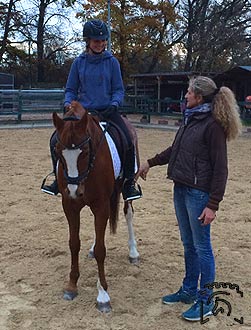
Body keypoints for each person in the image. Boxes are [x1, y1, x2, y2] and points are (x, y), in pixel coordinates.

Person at [136, 76, 242, 321]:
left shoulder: (213, 126)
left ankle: (206, 301)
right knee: (188, 244)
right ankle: (188, 290)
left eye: (188, 93)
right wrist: (150, 163)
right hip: (181, 188)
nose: (185, 96)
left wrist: (213, 204)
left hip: (199, 194)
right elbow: (176, 150)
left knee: (202, 247)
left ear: (199, 96)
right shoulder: (191, 119)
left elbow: (221, 168)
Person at [41, 19, 142, 201]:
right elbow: (71, 89)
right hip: (82, 115)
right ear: (88, 41)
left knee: (127, 137)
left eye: (103, 40)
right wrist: (67, 103)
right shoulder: (78, 63)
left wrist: (115, 103)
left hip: (107, 111)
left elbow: (119, 89)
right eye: (97, 41)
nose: (101, 44)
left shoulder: (112, 62)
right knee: (55, 139)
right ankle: (57, 179)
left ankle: (128, 183)